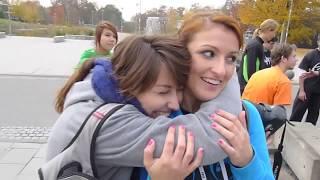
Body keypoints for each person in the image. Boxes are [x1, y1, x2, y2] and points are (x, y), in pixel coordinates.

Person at [46, 35, 244, 180]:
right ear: (131, 85)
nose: (175, 104)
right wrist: (226, 70)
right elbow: (211, 138)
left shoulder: (100, 92)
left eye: (178, 90)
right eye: (163, 92)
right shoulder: (109, 123)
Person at [238, 19, 279, 94]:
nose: (274, 35)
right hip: (247, 89)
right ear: (269, 30)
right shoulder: (255, 45)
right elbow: (249, 71)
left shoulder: (259, 45)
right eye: (274, 32)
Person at [290, 37, 320, 126]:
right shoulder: (311, 55)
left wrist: (317, 73)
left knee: (313, 117)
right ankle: (290, 133)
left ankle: (308, 134)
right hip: (306, 90)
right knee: (297, 115)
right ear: (318, 42)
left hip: (318, 93)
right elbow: (301, 74)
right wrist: (302, 91)